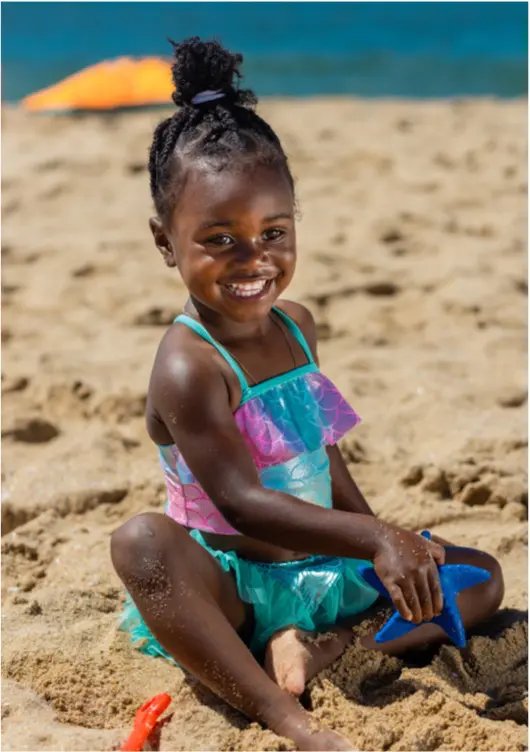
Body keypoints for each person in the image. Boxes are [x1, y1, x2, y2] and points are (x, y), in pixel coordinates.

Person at [110, 37, 504, 751]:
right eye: (219, 239)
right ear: (166, 242)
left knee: (479, 577)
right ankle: (284, 713)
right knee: (141, 544)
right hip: (230, 588)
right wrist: (374, 539)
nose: (253, 259)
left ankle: (325, 647)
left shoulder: (297, 327)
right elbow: (240, 501)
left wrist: (386, 543)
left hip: (320, 570)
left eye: (274, 232)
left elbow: (322, 453)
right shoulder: (189, 366)